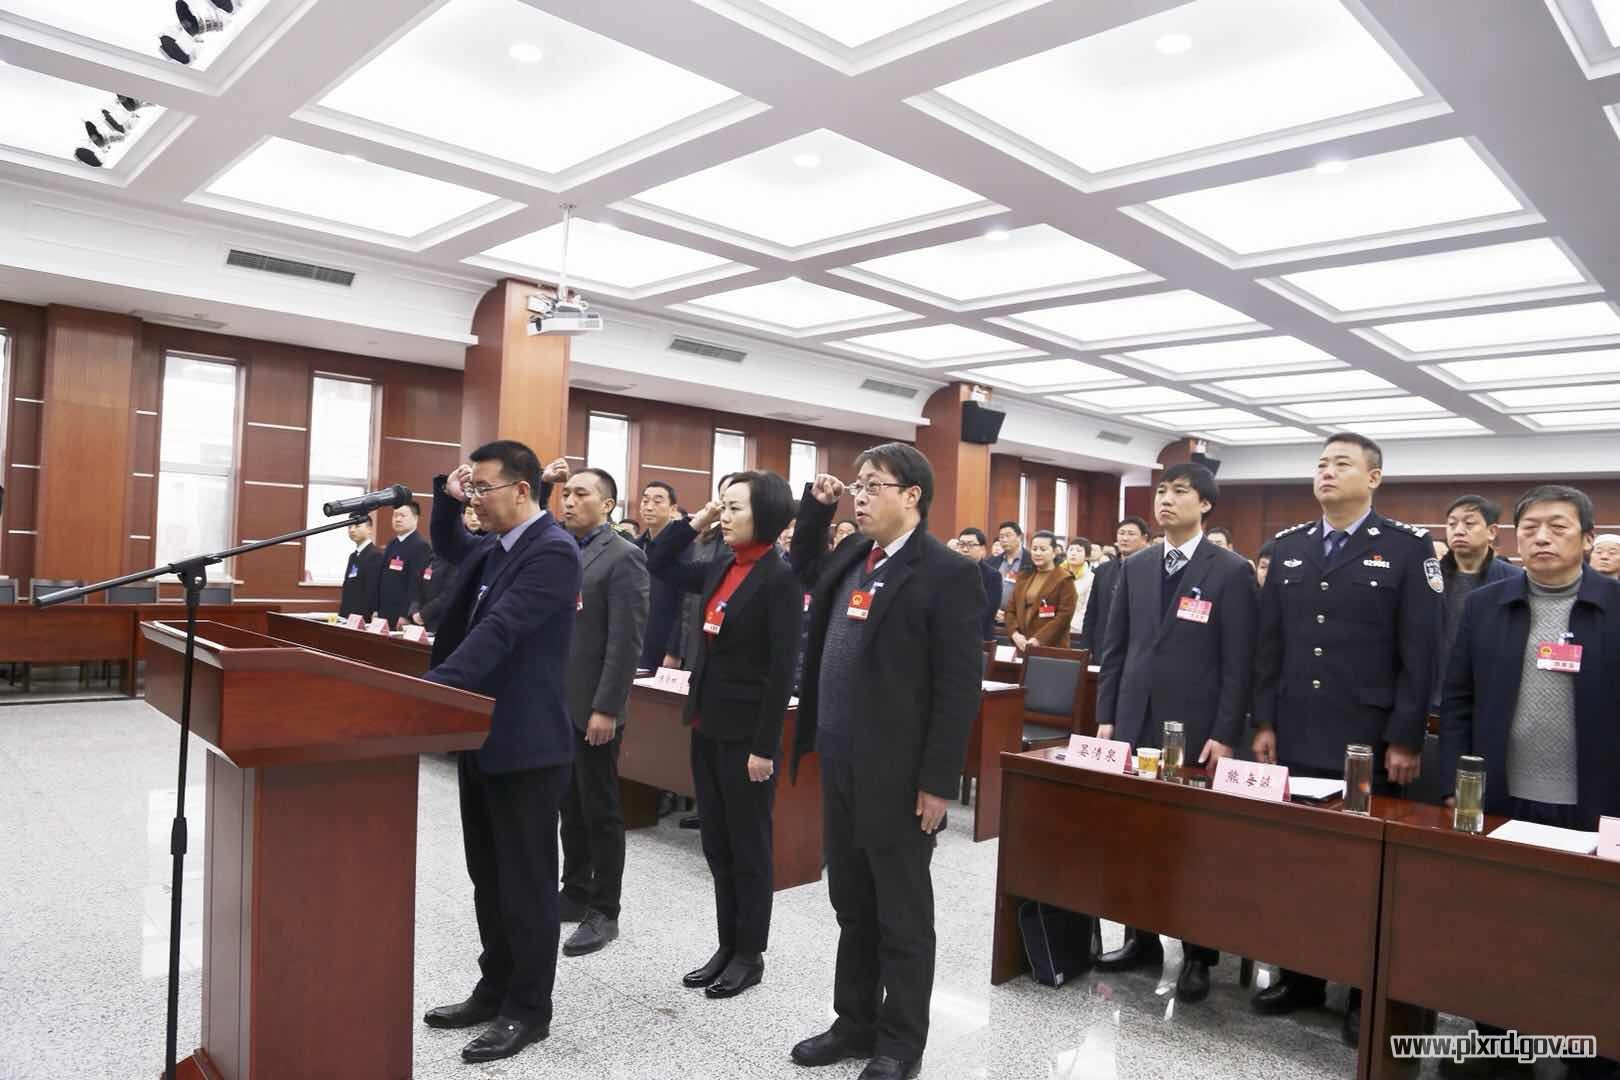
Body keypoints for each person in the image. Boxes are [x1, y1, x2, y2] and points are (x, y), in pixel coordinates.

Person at [788, 445, 982, 1080]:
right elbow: (804, 569)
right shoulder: (853, 554)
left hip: (898, 773)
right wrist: (815, 512)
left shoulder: (948, 573)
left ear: (912, 496)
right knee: (851, 902)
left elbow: (957, 688)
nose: (861, 495)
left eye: (874, 485)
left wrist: (938, 782)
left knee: (902, 914)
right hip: (840, 758)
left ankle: (900, 1043)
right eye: (858, 485)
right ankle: (855, 1021)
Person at [1251, 432, 1440, 1044]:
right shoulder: (1289, 546)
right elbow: (1269, 646)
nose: (1326, 472)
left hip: (1368, 740)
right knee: (1298, 862)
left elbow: (1421, 653)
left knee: (1364, 871)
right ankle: (1302, 976)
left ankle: (1363, 990)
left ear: (1374, 477)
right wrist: (1264, 721)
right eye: (1321, 464)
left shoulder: (1408, 548)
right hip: (1297, 730)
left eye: (1341, 463)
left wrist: (1406, 737)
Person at [1437, 486, 1620, 1079]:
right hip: (1503, 799)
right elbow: (1458, 701)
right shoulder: (1486, 605)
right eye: (1530, 527)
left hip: (1595, 805)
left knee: (1588, 935)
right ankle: (1500, 1044)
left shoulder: (1615, 606)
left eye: (1558, 527)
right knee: (1501, 928)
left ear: (1587, 540)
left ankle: (1591, 1054)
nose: (1541, 537)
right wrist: (1457, 785)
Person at [419, 442, 577, 1064]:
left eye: (483, 489)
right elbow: (449, 545)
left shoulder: (552, 551)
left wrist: (433, 690)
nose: (475, 500)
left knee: (526, 884)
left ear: (522, 490)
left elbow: (501, 629)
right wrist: (447, 496)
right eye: (473, 490)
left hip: (526, 746)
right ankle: (495, 987)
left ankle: (528, 1008)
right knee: (488, 877)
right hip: (482, 737)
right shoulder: (495, 547)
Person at [1093, 463, 1257, 1003]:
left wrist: (1226, 731)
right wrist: (1107, 715)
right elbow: (1115, 647)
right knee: (1136, 834)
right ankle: (1139, 938)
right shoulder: (1136, 564)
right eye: (1161, 491)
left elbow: (1239, 661)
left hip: (1197, 726)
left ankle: (1198, 956)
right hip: (1135, 719)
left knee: (1194, 844)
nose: (1165, 499)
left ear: (1205, 504)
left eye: (1179, 491)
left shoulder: (1230, 570)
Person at [646, 471, 801, 1000]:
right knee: (716, 842)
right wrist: (698, 519)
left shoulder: (779, 579)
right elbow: (659, 562)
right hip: (708, 724)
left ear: (767, 515)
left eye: (735, 507)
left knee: (748, 846)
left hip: (747, 736)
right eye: (723, 506)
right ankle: (726, 943)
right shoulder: (722, 566)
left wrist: (764, 747)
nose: (725, 516)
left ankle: (749, 954)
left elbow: (781, 671)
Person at [557, 466, 649, 958]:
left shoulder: (623, 556)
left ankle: (604, 910)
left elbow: (625, 641)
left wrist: (607, 707)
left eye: (581, 494)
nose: (569, 501)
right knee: (568, 805)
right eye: (566, 493)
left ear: (608, 505)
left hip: (594, 707)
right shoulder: (562, 549)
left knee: (600, 810)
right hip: (558, 702)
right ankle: (574, 890)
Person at [1435, 495, 1522, 713]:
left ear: (1492, 531)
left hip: (1489, 696)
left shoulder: (1515, 580)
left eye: (1469, 523)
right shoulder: (1428, 578)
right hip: (1432, 694)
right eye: (1452, 524)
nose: (1458, 530)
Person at [1078, 517, 1150, 652]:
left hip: (1137, 648)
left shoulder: (1153, 570)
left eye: (1131, 534)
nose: (1125, 538)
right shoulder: (1103, 570)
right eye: (1121, 533)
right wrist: (1086, 647)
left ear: (1144, 538)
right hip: (1103, 646)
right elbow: (1092, 612)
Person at [635, 481, 685, 672]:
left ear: (673, 509)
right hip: (635, 637)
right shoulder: (634, 547)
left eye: (657, 501)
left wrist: (675, 650)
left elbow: (686, 604)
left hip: (664, 640)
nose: (649, 507)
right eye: (645, 501)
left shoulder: (684, 547)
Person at [414, 504, 483, 633]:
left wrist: (425, 613)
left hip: (451, 617)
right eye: (469, 513)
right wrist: (414, 611)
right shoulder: (437, 548)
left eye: (476, 514)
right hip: (425, 618)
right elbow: (418, 582)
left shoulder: (483, 545)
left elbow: (452, 590)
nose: (474, 518)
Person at [1006, 531, 1076, 653]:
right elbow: (1010, 610)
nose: (1038, 553)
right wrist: (1015, 634)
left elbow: (1064, 616)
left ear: (1054, 552)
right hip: (1021, 644)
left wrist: (1039, 639)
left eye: (1043, 549)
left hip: (1050, 647)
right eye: (1034, 549)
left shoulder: (1064, 579)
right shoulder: (1024, 576)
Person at [378, 501, 432, 628]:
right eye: (395, 515)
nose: (397, 519)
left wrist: (406, 614)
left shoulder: (420, 546)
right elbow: (382, 578)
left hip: (402, 615)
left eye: (402, 516)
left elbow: (416, 584)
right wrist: (377, 609)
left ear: (415, 518)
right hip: (384, 611)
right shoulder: (391, 544)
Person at [988, 521, 1035, 628]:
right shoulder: (992, 562)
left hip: (1021, 623)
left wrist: (1011, 616)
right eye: (1001, 537)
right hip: (994, 620)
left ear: (1019, 537)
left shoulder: (1032, 561)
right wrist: (993, 610)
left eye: (1008, 536)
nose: (1004, 540)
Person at [957, 528, 1001, 641]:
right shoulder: (950, 572)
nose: (965, 549)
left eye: (971, 545)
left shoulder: (993, 576)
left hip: (980, 637)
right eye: (962, 545)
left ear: (982, 549)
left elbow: (989, 611)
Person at [339, 516, 383, 619]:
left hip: (363, 617)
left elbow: (373, 589)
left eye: (357, 526)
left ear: (369, 529)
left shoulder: (375, 555)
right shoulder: (353, 556)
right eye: (349, 526)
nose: (352, 530)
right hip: (347, 616)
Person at [1067, 538, 1095, 636]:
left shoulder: (1091, 578)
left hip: (1076, 629)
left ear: (1087, 556)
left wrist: (1073, 625)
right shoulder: (1057, 575)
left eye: (1079, 551)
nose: (1073, 553)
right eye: (1071, 549)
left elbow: (1086, 607)